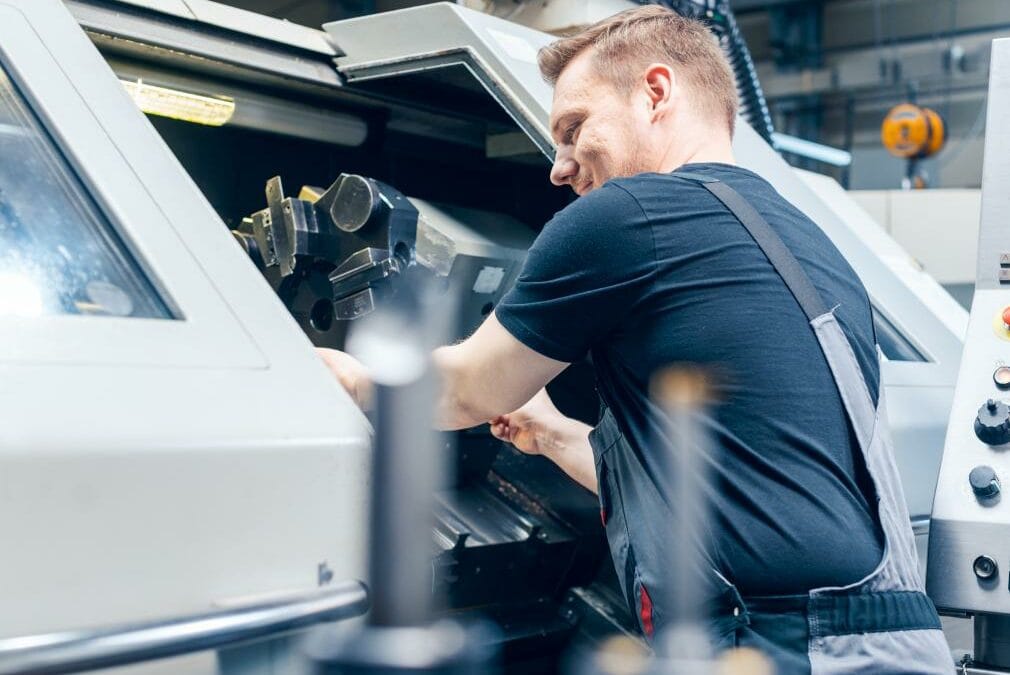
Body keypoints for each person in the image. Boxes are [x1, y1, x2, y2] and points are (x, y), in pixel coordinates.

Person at [317, 6, 951, 672]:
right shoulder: (811, 244)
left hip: (780, 645)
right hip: (897, 644)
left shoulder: (628, 215)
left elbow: (463, 392)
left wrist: (346, 377)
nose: (559, 167)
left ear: (655, 91)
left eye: (573, 129)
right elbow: (740, 483)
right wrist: (553, 435)